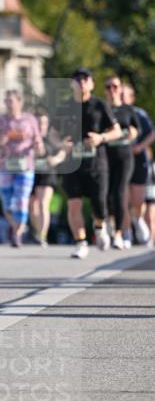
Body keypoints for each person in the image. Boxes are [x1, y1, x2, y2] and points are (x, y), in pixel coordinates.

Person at [61, 67, 121, 259]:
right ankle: (80, 242)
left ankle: (99, 226)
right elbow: (53, 134)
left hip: (97, 163)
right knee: (73, 204)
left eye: (86, 78)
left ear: (92, 83)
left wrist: (101, 137)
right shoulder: (64, 107)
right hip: (73, 163)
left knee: (99, 204)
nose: (81, 81)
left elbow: (117, 131)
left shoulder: (100, 106)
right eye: (77, 78)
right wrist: (61, 144)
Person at [0, 89, 43, 248]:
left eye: (11, 101)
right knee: (7, 203)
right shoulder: (0, 121)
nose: (9, 104)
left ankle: (17, 234)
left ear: (20, 102)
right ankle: (15, 226)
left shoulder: (30, 120)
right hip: (5, 165)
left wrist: (38, 146)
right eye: (6, 101)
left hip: (26, 166)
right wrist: (0, 140)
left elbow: (39, 142)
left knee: (21, 199)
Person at [103, 76, 140, 249]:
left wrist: (132, 133)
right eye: (108, 87)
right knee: (105, 194)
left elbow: (136, 129)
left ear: (120, 89)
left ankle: (119, 233)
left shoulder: (127, 109)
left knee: (119, 192)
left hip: (124, 156)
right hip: (105, 156)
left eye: (115, 86)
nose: (112, 90)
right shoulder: (102, 108)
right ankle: (108, 225)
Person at [121, 83, 154, 246]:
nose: (120, 97)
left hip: (139, 160)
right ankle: (126, 234)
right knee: (123, 198)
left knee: (138, 200)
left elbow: (152, 133)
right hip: (121, 160)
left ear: (131, 98)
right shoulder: (113, 113)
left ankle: (137, 218)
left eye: (124, 95)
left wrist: (140, 147)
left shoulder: (140, 114)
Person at [30, 112, 66, 247]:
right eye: (38, 123)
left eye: (43, 123)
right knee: (33, 206)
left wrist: (55, 160)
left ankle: (42, 235)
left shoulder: (53, 138)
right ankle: (37, 231)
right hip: (33, 174)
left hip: (48, 174)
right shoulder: (31, 138)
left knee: (43, 203)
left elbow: (63, 151)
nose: (41, 126)